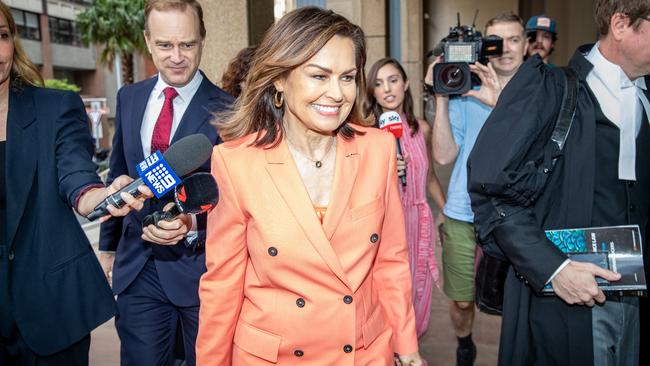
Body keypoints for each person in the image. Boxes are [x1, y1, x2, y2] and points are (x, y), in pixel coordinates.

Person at [197, 7, 422, 365]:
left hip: (362, 352)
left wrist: (407, 345)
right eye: (319, 76)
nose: (337, 93)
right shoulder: (234, 163)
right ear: (280, 79)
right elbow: (222, 286)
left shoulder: (377, 150)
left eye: (347, 77)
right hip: (275, 357)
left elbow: (390, 261)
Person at [467, 1, 650, 365]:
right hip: (566, 307)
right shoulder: (548, 87)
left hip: (635, 308)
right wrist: (555, 269)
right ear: (620, 24)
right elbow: (492, 192)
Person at [0, 1, 150, 364]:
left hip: (51, 311)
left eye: (2, 36)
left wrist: (99, 196)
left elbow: (76, 176)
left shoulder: (55, 107)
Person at [97, 0, 233, 365]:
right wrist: (108, 247)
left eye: (186, 44)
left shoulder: (229, 110)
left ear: (203, 40)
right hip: (138, 267)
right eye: (164, 45)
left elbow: (236, 201)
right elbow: (118, 172)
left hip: (201, 272)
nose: (176, 56)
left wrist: (191, 223)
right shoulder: (130, 97)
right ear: (147, 41)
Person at [424, 13, 528, 366]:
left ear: (526, 44)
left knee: (517, 299)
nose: (505, 49)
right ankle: (465, 342)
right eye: (495, 42)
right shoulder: (465, 91)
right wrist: (442, 94)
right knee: (463, 299)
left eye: (513, 39)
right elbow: (442, 154)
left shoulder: (539, 90)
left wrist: (499, 103)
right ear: (484, 47)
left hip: (517, 216)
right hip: (462, 212)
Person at [365, 57, 445, 338]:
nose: (387, 88)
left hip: (418, 221)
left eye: (393, 80)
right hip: (386, 226)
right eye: (378, 83)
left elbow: (430, 177)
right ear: (371, 92)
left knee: (416, 292)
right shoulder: (367, 134)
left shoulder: (421, 128)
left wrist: (447, 213)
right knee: (389, 294)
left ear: (406, 84)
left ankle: (410, 348)